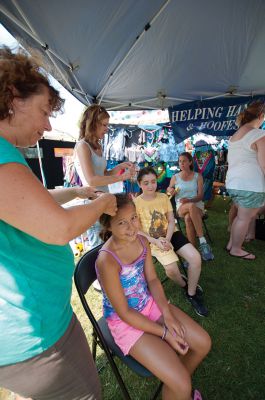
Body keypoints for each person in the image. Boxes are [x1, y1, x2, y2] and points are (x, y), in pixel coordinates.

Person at [0, 46, 118, 400]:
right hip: (33, 336)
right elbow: (60, 228)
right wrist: (103, 202)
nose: (48, 125)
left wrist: (75, 192)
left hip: (46, 319)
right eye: (43, 112)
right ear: (13, 98)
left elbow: (31, 206)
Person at [96, 193, 211, 400]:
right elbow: (124, 313)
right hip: (125, 322)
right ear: (109, 227)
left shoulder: (141, 240)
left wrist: (166, 314)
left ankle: (176, 387)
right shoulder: (107, 261)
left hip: (149, 305)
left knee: (202, 343)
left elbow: (153, 280)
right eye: (122, 222)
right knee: (182, 382)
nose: (131, 227)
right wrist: (165, 333)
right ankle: (180, 386)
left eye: (133, 218)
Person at [74, 105, 135, 290]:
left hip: (104, 200)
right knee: (96, 244)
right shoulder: (82, 146)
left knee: (107, 239)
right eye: (104, 125)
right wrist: (120, 177)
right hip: (92, 201)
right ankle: (100, 283)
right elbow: (92, 179)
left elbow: (103, 172)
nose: (107, 129)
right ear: (92, 124)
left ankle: (108, 276)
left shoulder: (97, 146)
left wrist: (119, 167)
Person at [134, 167, 208, 317]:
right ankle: (184, 284)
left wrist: (167, 239)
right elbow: (138, 230)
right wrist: (156, 241)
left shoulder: (163, 197)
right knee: (172, 271)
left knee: (195, 258)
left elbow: (170, 220)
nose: (150, 186)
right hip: (152, 241)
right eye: (146, 183)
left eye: (153, 182)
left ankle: (191, 294)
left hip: (170, 234)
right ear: (139, 184)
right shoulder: (136, 203)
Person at [225, 101, 265, 260]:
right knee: (244, 217)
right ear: (261, 116)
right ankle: (236, 248)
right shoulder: (259, 134)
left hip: (234, 183)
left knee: (241, 216)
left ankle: (232, 244)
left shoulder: (235, 135)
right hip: (250, 184)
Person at [167, 152, 214, 261]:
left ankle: (193, 253)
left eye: (184, 161)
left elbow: (201, 195)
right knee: (190, 207)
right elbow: (168, 190)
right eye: (180, 161)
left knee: (188, 218)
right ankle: (203, 242)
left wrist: (190, 200)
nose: (181, 163)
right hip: (181, 206)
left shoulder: (198, 176)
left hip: (197, 204)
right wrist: (171, 190)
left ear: (190, 162)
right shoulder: (175, 177)